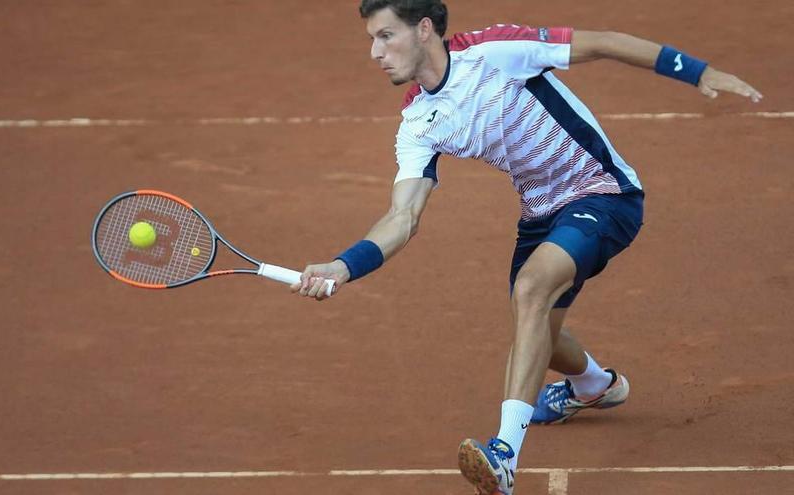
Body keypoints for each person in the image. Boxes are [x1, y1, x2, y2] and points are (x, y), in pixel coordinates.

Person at [292, 1, 762, 493]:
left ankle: (504, 455)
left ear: (424, 29)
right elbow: (402, 217)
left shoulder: (495, 52)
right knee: (537, 335)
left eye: (386, 36)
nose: (375, 52)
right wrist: (344, 266)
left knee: (531, 290)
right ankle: (596, 386)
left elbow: (601, 41)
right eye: (372, 39)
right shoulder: (418, 122)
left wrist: (699, 72)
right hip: (540, 216)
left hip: (603, 193)